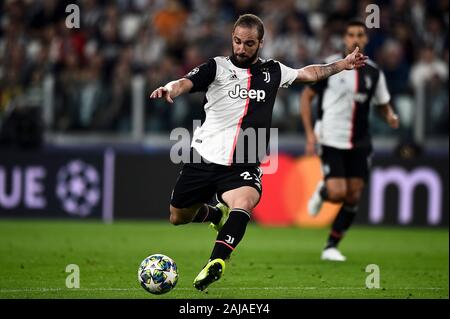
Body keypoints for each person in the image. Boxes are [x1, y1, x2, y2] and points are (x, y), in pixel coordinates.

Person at [150, 14, 367, 291]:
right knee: (178, 217)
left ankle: (216, 261)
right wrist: (169, 88)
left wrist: (342, 64)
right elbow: (184, 82)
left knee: (244, 202)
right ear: (232, 39)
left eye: (249, 44)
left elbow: (309, 73)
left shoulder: (273, 71)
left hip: (244, 161)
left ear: (260, 43)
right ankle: (216, 216)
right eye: (237, 42)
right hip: (203, 158)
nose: (241, 48)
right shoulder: (216, 67)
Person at [300, 20, 399, 262]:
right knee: (337, 193)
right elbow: (306, 97)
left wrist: (390, 116)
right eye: (351, 34)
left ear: (365, 40)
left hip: (361, 141)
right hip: (332, 137)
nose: (355, 38)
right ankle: (323, 191)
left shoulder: (374, 72)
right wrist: (310, 134)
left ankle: (331, 246)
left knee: (354, 196)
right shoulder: (331, 67)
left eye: (360, 35)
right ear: (344, 38)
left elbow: (382, 104)